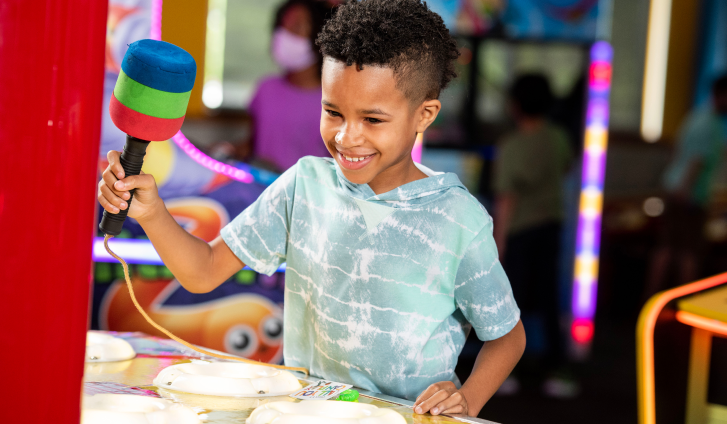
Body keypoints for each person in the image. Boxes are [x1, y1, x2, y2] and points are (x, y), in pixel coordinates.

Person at [98, 0, 525, 417]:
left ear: (424, 115)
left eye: (373, 120)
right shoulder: (304, 184)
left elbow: (507, 337)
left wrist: (467, 400)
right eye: (332, 112)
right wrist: (152, 212)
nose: (346, 137)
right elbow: (203, 270)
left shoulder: (458, 218)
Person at [493, 74, 574, 397]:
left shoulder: (510, 146)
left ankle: (505, 373)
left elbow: (506, 199)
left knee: (512, 303)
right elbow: (566, 168)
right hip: (551, 227)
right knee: (549, 299)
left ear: (514, 106)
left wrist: (497, 243)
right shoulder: (558, 138)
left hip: (520, 232)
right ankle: (556, 372)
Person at [645, 74, 727, 296]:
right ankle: (683, 302)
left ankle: (651, 298)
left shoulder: (695, 117)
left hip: (675, 188)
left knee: (667, 246)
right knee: (689, 253)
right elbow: (696, 162)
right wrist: (685, 190)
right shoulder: (710, 125)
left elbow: (677, 152)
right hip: (689, 194)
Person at [246, 0, 335, 172]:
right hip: (260, 193)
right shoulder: (265, 88)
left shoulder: (336, 99)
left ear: (320, 34)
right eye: (281, 27)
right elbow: (253, 145)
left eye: (296, 27)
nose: (284, 35)